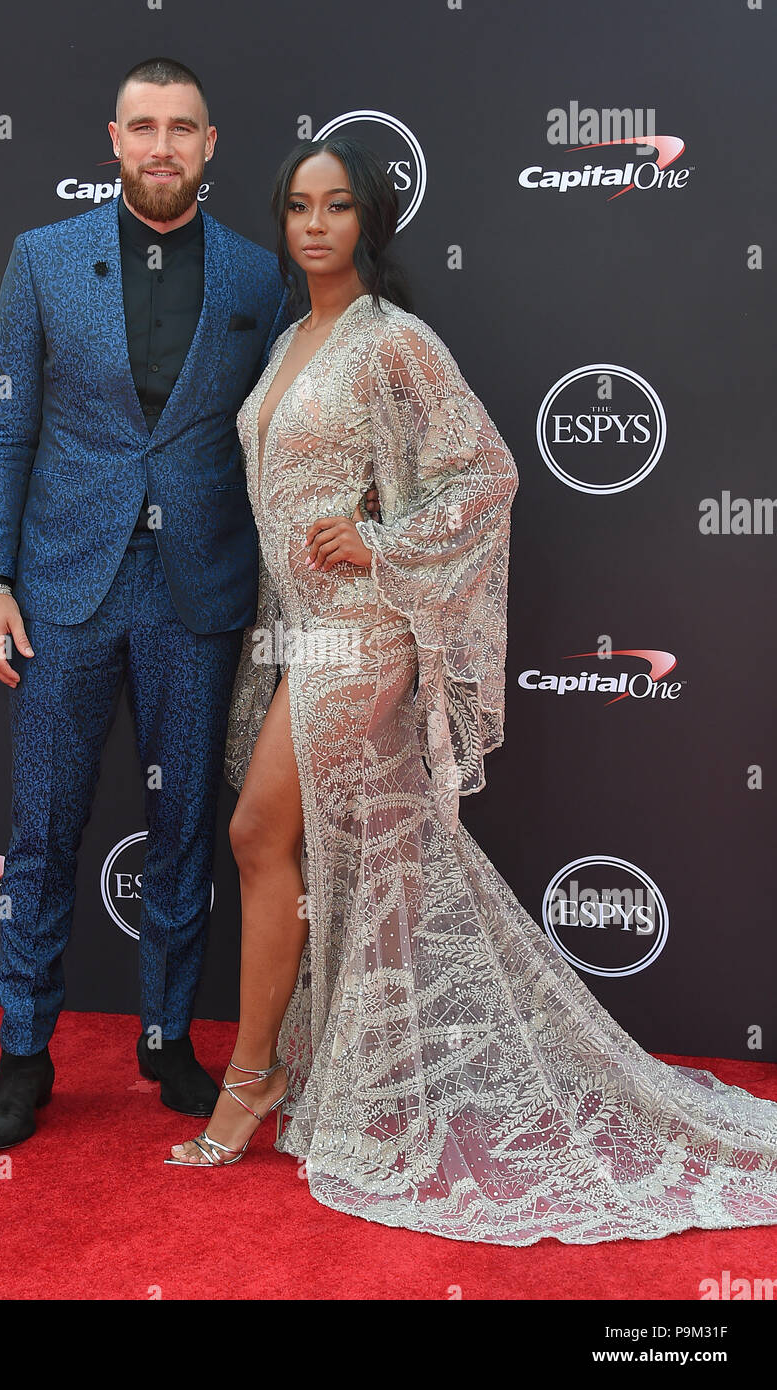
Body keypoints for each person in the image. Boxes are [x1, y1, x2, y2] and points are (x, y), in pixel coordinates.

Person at [165, 136, 777, 1247]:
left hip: (363, 630)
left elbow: (484, 471)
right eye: (297, 206)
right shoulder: (292, 337)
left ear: (368, 223)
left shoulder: (391, 342)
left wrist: (381, 541)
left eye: (336, 205)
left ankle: (252, 1080)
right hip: (298, 632)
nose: (313, 225)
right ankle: (328, 1071)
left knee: (261, 831)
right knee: (354, 852)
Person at [0, 57, 303, 1149]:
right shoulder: (41, 260)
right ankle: (25, 1050)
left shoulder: (257, 279)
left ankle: (166, 1038)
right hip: (64, 584)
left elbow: (274, 437)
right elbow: (6, 426)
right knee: (46, 827)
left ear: (212, 146)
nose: (162, 146)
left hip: (198, 587)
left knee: (184, 831)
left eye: (183, 129)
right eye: (143, 127)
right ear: (113, 141)